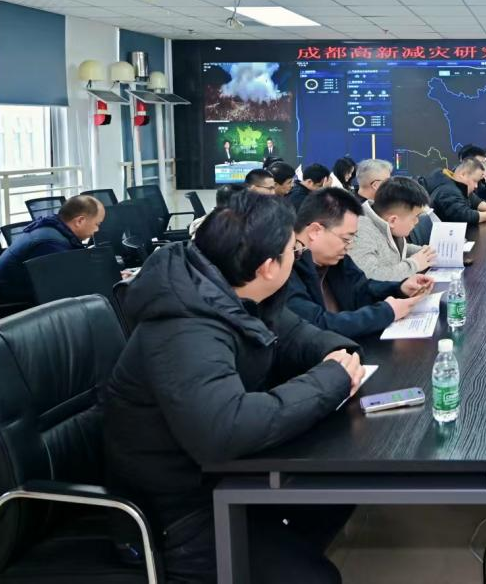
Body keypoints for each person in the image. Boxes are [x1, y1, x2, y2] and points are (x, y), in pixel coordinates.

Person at [103, 191, 366, 584]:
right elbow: (225, 430)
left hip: (221, 476)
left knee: (335, 494)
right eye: (293, 251)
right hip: (175, 514)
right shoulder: (184, 325)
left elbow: (298, 336)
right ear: (268, 267)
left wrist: (341, 354)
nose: (298, 257)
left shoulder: (234, 291)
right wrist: (330, 379)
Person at [285, 187, 433, 339]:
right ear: (315, 231)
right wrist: (386, 312)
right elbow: (316, 325)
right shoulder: (284, 269)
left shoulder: (336, 259)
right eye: (346, 239)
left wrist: (400, 288)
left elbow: (362, 290)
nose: (349, 246)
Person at [0, 195, 105, 305]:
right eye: (97, 224)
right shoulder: (51, 245)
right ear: (80, 221)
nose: (97, 230)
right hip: (16, 306)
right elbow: (58, 291)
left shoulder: (53, 228)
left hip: (21, 295)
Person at [351, 176, 438, 282]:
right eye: (415, 217)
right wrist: (414, 264)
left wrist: (424, 253)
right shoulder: (359, 233)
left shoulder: (383, 220)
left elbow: (393, 248)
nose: (417, 222)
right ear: (393, 220)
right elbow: (371, 278)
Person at [427, 158, 486, 224]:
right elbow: (462, 215)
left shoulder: (457, 185)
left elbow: (475, 200)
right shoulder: (447, 191)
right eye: (474, 181)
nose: (476, 186)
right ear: (463, 174)